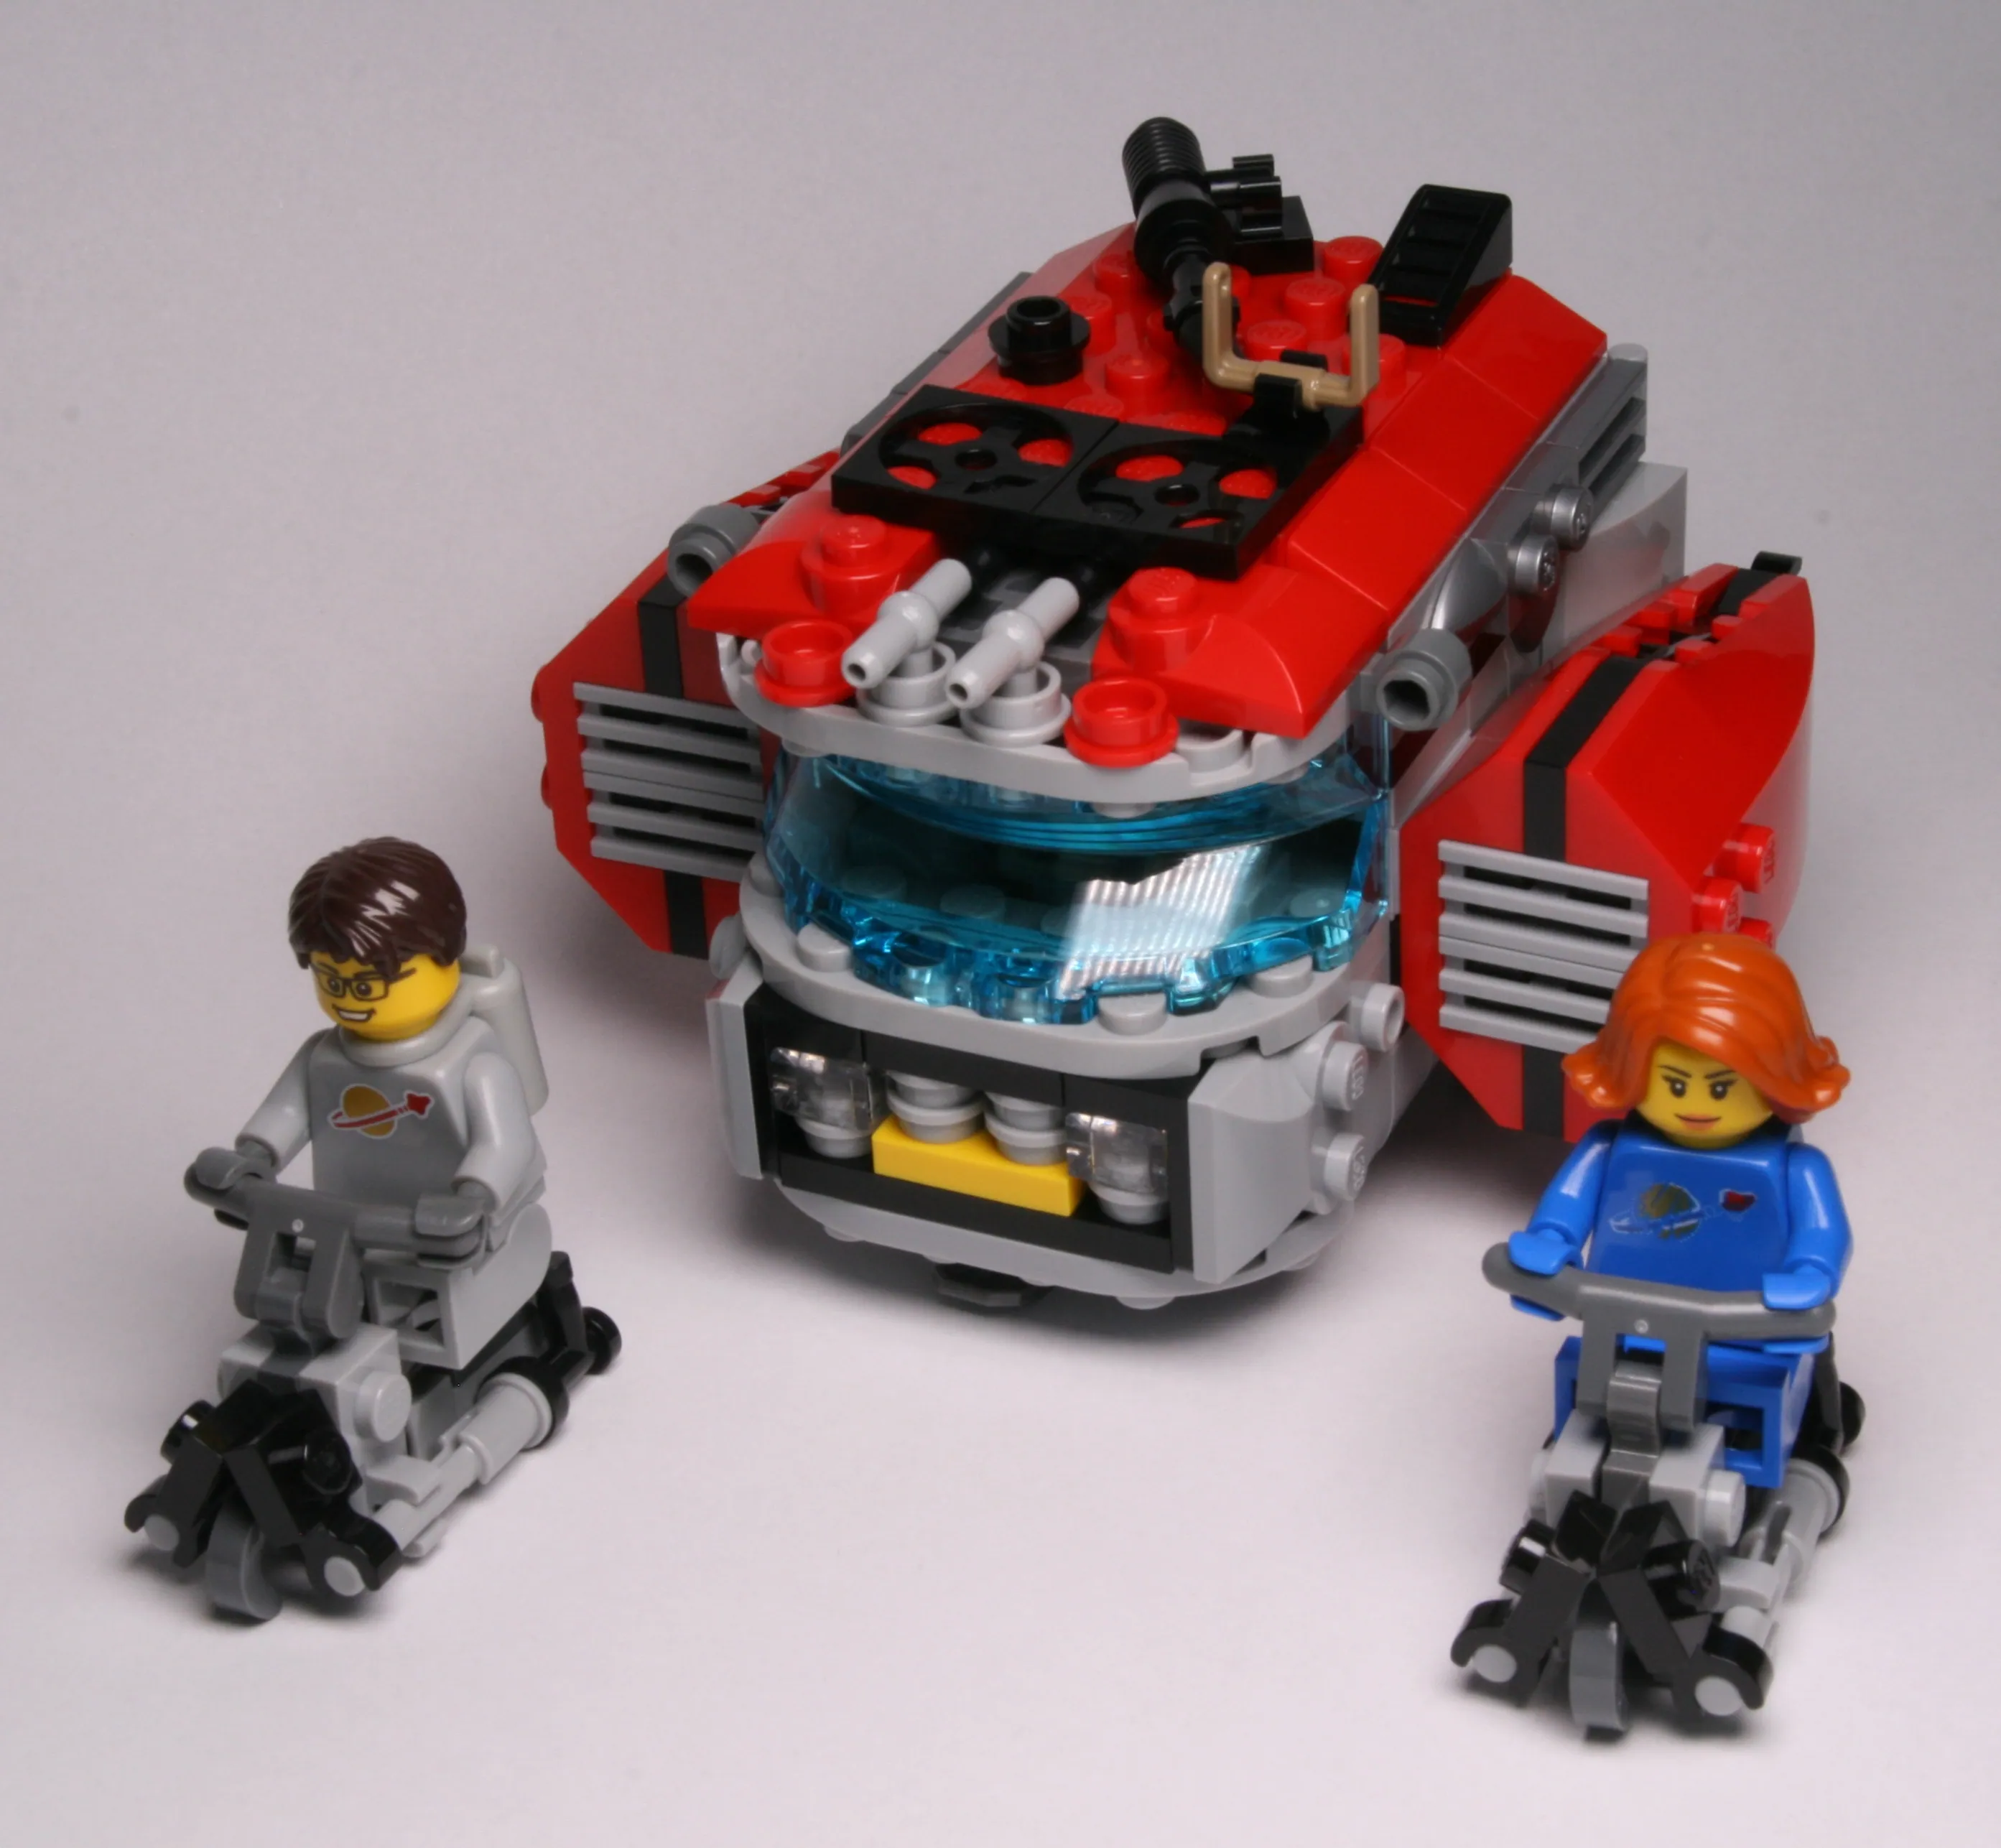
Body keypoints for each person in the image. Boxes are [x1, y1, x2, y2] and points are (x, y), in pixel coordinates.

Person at [1508, 932, 1859, 1468]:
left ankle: (1791, 1450)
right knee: (1587, 1395)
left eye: (1720, 1087)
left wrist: (1809, 1273)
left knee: (1773, 1406)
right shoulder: (1608, 1148)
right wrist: (1552, 1242)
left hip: (1747, 1329)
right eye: (1674, 1084)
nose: (1696, 1104)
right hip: (1619, 1327)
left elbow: (1823, 1233)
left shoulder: (1796, 1167)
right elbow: (1566, 1207)